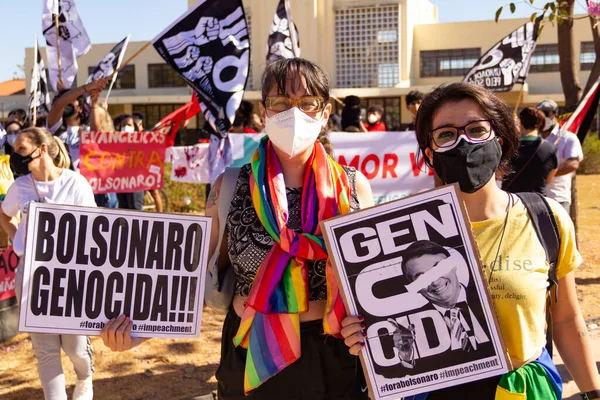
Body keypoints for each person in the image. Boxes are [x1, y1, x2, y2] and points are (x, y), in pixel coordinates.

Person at [101, 57, 374, 399]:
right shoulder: (230, 186)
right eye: (280, 103)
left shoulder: (354, 188)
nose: (295, 113)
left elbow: (369, 278)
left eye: (307, 103)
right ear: (264, 111)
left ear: (325, 111)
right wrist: (137, 330)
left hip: (333, 355)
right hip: (250, 349)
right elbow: (193, 271)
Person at [341, 83, 600, 399]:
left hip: (522, 391)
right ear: (429, 153)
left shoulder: (545, 218)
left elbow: (567, 320)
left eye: (477, 129)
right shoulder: (400, 234)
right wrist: (364, 338)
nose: (463, 142)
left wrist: (593, 392)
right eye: (446, 134)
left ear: (500, 141)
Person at [0, 127, 96, 400]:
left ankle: (85, 377)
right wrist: (20, 239)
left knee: (76, 347)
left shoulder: (76, 184)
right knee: (45, 350)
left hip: (71, 279)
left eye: (20, 149)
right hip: (31, 277)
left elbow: (93, 229)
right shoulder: (19, 187)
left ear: (41, 149)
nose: (13, 155)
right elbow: (4, 215)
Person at [47, 79, 108, 170]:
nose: (67, 103)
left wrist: (94, 103)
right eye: (65, 99)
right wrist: (86, 87)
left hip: (84, 178)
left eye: (71, 100)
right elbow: (59, 104)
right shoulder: (55, 127)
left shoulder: (85, 130)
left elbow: (97, 135)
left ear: (80, 107)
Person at [537, 99, 584, 215]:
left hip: (557, 199)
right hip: (535, 199)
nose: (542, 117)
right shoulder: (532, 138)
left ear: (555, 115)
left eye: (546, 113)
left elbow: (573, 163)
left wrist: (546, 174)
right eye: (539, 113)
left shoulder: (567, 138)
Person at [503, 107, 558, 195]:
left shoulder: (510, 147)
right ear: (542, 124)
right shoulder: (551, 148)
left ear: (520, 123)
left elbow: (500, 174)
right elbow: (549, 180)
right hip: (538, 201)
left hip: (512, 201)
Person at [89, 89, 119, 208]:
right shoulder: (112, 139)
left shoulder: (105, 140)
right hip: (104, 185)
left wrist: (95, 107)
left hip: (103, 188)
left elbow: (96, 133)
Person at [113, 114, 145, 210]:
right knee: (123, 208)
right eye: (123, 125)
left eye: (129, 125)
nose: (126, 127)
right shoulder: (115, 141)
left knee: (135, 208)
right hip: (121, 180)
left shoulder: (141, 141)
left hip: (135, 180)